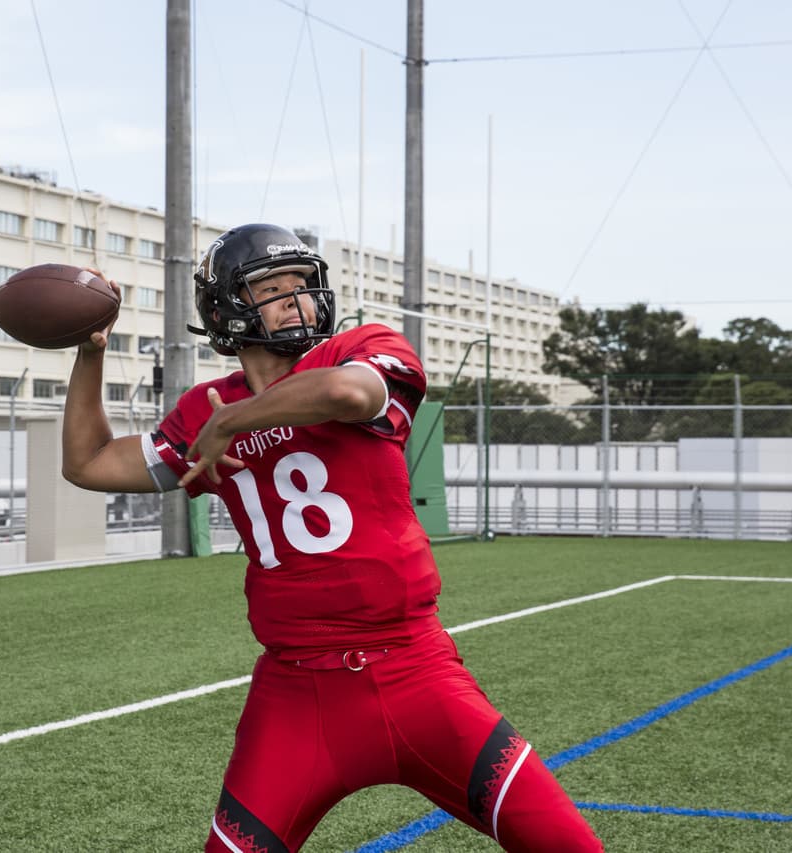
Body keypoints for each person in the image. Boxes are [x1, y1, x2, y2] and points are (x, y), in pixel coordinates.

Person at [62, 223, 603, 852]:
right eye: (272, 288)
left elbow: (347, 393)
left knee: (570, 847)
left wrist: (230, 423)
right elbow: (89, 463)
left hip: (415, 671)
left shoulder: (362, 349)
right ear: (225, 311)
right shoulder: (204, 406)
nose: (296, 300)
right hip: (296, 694)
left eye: (303, 285)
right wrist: (90, 352)